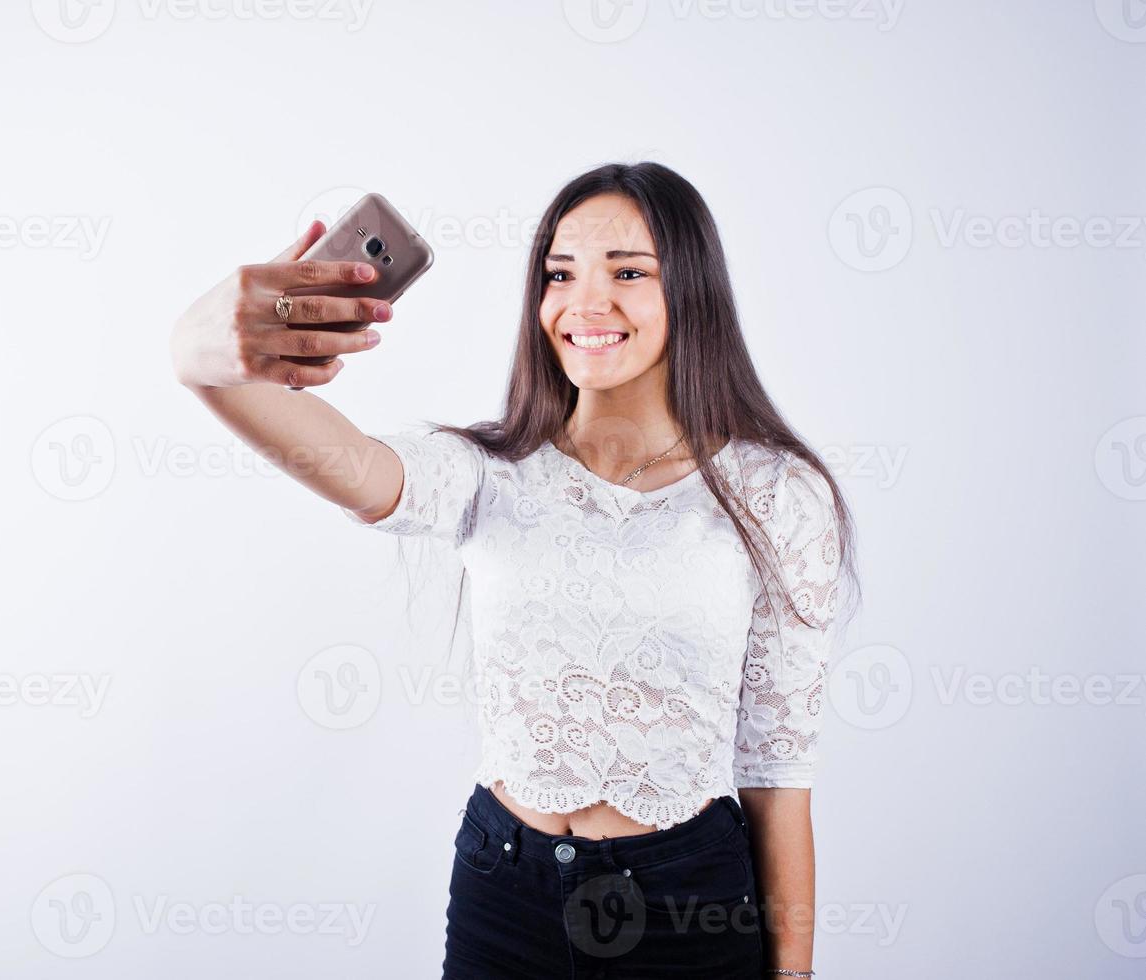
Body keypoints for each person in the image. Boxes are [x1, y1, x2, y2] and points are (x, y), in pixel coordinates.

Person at [170, 161, 860, 979]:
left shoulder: (775, 493)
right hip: (505, 887)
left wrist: (796, 973)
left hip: (685, 902)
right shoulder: (488, 470)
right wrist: (196, 354)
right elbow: (348, 462)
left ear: (693, 293)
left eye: (629, 273)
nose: (585, 303)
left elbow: (777, 773)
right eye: (559, 275)